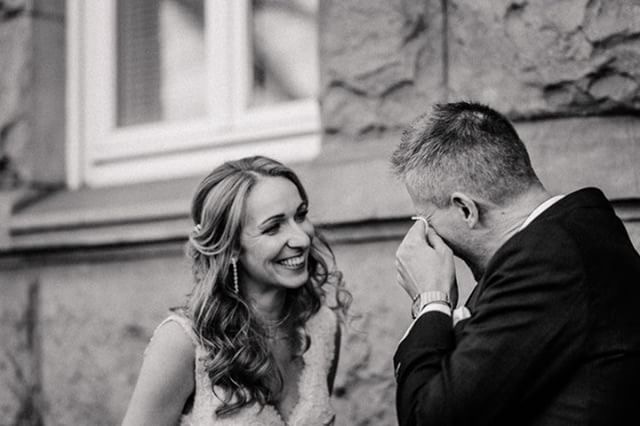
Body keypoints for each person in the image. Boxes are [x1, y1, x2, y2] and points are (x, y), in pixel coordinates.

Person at [390, 101, 640, 425]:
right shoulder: (571, 239)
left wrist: (431, 302)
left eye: (425, 220)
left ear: (466, 210)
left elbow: (429, 417)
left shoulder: (546, 262)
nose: (423, 235)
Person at [122, 156, 350, 425]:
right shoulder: (182, 343)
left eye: (300, 215)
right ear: (230, 246)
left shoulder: (322, 327)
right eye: (273, 227)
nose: (301, 238)